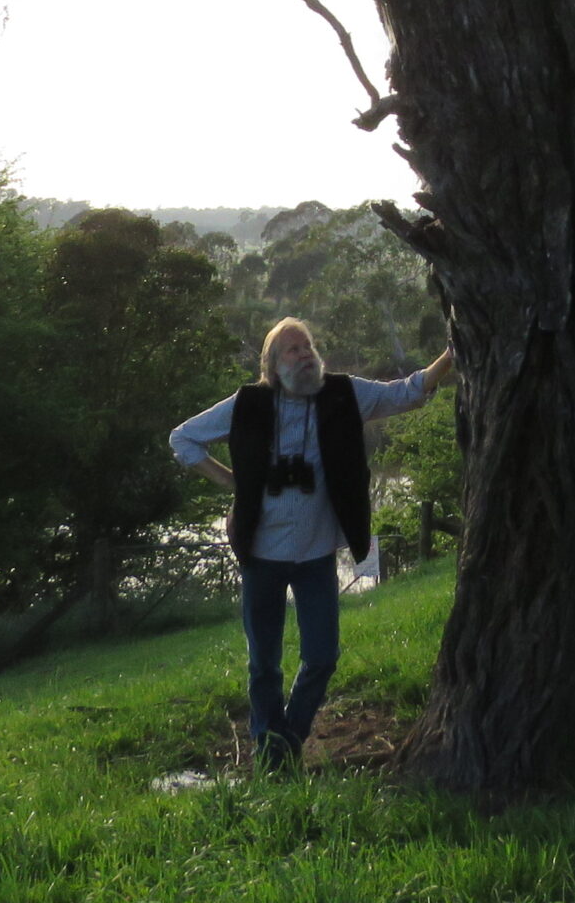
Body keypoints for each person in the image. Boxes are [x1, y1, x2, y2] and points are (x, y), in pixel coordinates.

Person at [170, 318, 455, 768]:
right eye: (291, 349)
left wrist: (449, 357)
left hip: (317, 557)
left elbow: (407, 392)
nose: (304, 354)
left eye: (307, 346)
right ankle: (271, 749)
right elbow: (182, 438)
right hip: (261, 557)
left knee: (321, 656)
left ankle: (286, 739)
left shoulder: (342, 394)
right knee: (263, 665)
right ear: (272, 364)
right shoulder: (248, 404)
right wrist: (234, 483)